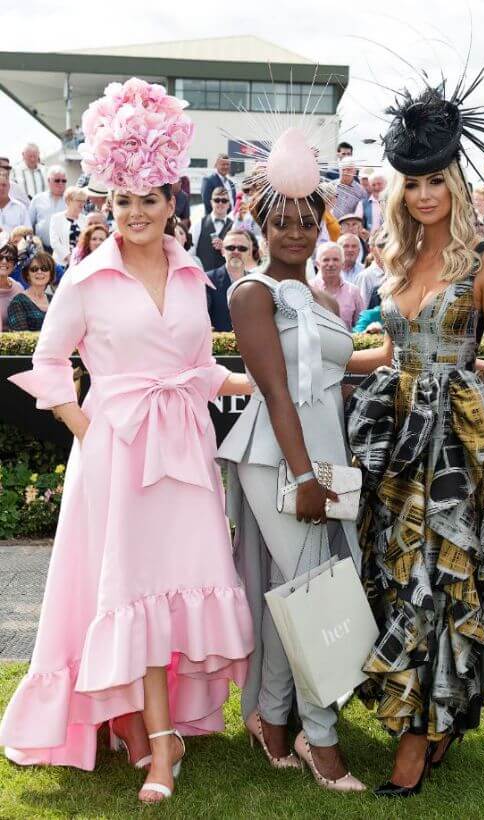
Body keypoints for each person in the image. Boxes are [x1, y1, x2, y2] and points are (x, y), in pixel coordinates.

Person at [0, 78, 254, 804]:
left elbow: (200, 368)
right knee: (134, 589)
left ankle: (150, 725)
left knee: (176, 584)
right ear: (108, 202)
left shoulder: (190, 276)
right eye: (123, 200)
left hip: (185, 452)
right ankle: (159, 741)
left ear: (173, 203)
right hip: (117, 453)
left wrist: (258, 383)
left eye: (150, 199)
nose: (136, 213)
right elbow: (48, 365)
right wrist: (90, 429)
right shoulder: (85, 278)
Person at [345, 79, 484, 799]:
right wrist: (311, 359)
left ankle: (416, 743)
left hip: (455, 444)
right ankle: (432, 714)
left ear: (455, 183)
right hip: (394, 441)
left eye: (435, 182)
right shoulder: (392, 259)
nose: (424, 195)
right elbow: (386, 354)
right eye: (412, 183)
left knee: (439, 576)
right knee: (396, 571)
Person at [217, 122, 366, 793]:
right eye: (283, 222)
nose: (298, 233)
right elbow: (277, 389)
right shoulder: (253, 294)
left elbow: (337, 372)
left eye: (308, 220)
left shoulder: (329, 299)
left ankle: (272, 717)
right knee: (313, 590)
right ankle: (320, 738)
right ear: (261, 223)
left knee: (303, 588)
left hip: (327, 456)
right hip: (275, 454)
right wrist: (304, 476)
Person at [206, 228, 259, 331]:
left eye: (242, 248)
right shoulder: (208, 280)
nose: (236, 252)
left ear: (249, 253)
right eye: (230, 248)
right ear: (222, 251)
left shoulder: (257, 282)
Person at [311, 242, 363, 330]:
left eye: (335, 260)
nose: (331, 264)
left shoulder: (353, 291)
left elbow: (360, 325)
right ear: (317, 264)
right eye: (326, 260)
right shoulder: (308, 290)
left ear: (342, 264)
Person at [6, 251, 55, 330]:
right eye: (34, 269)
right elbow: (23, 338)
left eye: (44, 269)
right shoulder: (18, 302)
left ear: (50, 274)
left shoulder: (54, 300)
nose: (39, 272)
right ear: (27, 275)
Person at [191, 187, 234, 271]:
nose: (220, 203)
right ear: (211, 202)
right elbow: (190, 254)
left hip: (226, 279)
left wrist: (224, 248)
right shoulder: (198, 224)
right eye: (217, 200)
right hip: (202, 279)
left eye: (224, 201)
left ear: (229, 204)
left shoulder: (234, 226)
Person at [29, 166, 68, 250]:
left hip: (65, 249)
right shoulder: (38, 199)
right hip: (42, 249)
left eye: (64, 181)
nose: (61, 183)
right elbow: (29, 224)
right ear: (48, 181)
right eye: (57, 180)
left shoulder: (71, 199)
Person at [49, 186, 88, 267]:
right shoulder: (56, 218)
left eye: (83, 201)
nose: (82, 204)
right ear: (68, 201)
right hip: (61, 264)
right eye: (78, 200)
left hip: (81, 264)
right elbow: (54, 242)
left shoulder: (85, 219)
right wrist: (69, 258)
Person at [0, 241, 24, 330]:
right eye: (0, 257)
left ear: (14, 264)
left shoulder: (18, 289)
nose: (4, 261)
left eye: (10, 259)